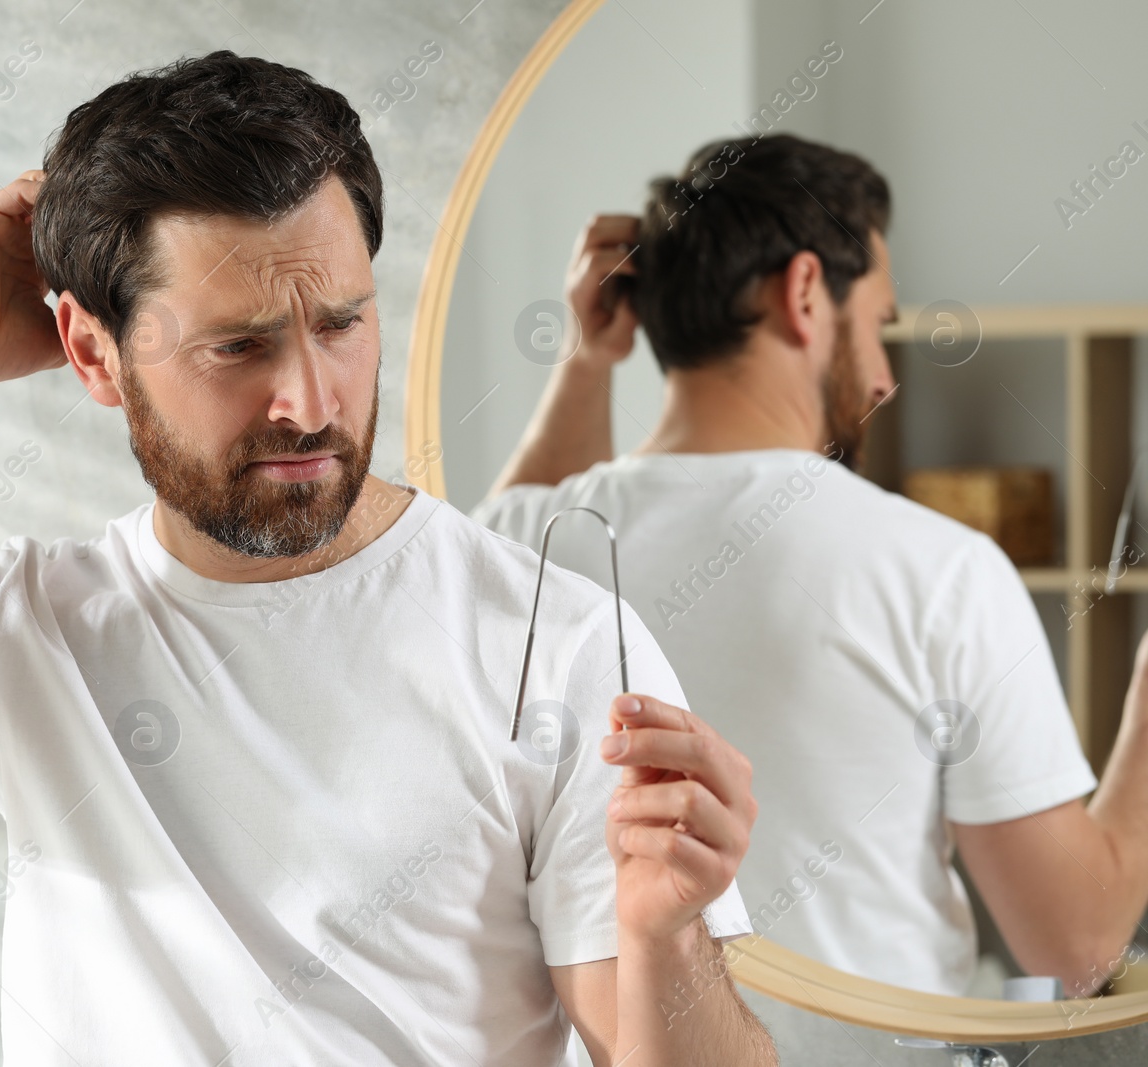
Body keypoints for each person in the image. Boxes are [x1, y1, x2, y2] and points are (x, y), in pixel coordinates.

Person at [0, 53, 776, 1067]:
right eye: (239, 346)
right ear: (91, 351)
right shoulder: (20, 629)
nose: (308, 401)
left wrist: (669, 933)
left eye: (341, 323)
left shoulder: (553, 640)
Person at [472, 132, 1148, 999]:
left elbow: (507, 534)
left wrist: (586, 362)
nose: (884, 377)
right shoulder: (941, 570)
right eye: (877, 326)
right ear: (803, 292)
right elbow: (1077, 941)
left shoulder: (527, 543)